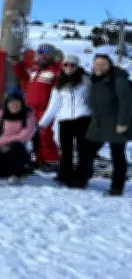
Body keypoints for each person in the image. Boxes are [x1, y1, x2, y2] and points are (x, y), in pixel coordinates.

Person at [70, 54, 131, 196]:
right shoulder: (94, 79)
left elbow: (126, 101)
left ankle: (117, 187)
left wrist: (122, 122)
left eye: (103, 64)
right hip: (98, 123)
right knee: (86, 151)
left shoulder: (118, 78)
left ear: (110, 65)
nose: (99, 66)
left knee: (117, 155)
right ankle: (81, 179)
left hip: (116, 123)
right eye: (96, 64)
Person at [37, 54, 91, 184]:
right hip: (65, 120)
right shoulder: (59, 84)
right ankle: (65, 174)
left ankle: (81, 177)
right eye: (66, 64)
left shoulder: (86, 81)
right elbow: (53, 106)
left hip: (82, 119)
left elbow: (95, 99)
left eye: (72, 65)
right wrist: (41, 125)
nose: (69, 67)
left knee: (82, 149)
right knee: (66, 149)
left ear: (77, 66)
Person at [13, 43, 61, 167]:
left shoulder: (55, 69)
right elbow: (23, 76)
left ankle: (51, 160)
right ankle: (40, 159)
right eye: (40, 53)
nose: (43, 56)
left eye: (46, 53)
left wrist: (59, 61)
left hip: (45, 109)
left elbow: (62, 79)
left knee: (44, 135)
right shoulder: (35, 69)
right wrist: (17, 64)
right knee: (33, 135)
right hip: (30, 108)